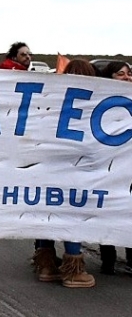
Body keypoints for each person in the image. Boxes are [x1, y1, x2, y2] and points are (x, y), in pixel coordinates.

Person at [31, 58, 97, 288]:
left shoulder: (52, 101)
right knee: (72, 215)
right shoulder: (93, 104)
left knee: (47, 212)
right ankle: (73, 269)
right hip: (77, 169)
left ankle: (46, 264)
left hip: (49, 167)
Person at [96, 60, 132, 275]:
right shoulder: (100, 103)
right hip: (109, 164)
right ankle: (107, 258)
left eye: (129, 74)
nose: (127, 78)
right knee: (107, 210)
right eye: (121, 74)